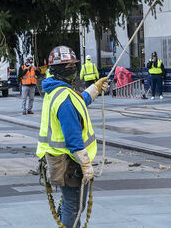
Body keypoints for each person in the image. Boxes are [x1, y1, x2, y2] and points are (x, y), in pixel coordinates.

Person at [37, 46, 109, 228]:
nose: (73, 69)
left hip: (59, 159)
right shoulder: (64, 98)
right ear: (61, 70)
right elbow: (73, 136)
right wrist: (85, 164)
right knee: (74, 207)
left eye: (73, 65)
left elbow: (78, 100)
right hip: (70, 162)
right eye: (69, 66)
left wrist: (95, 89)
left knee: (71, 204)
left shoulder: (57, 90)